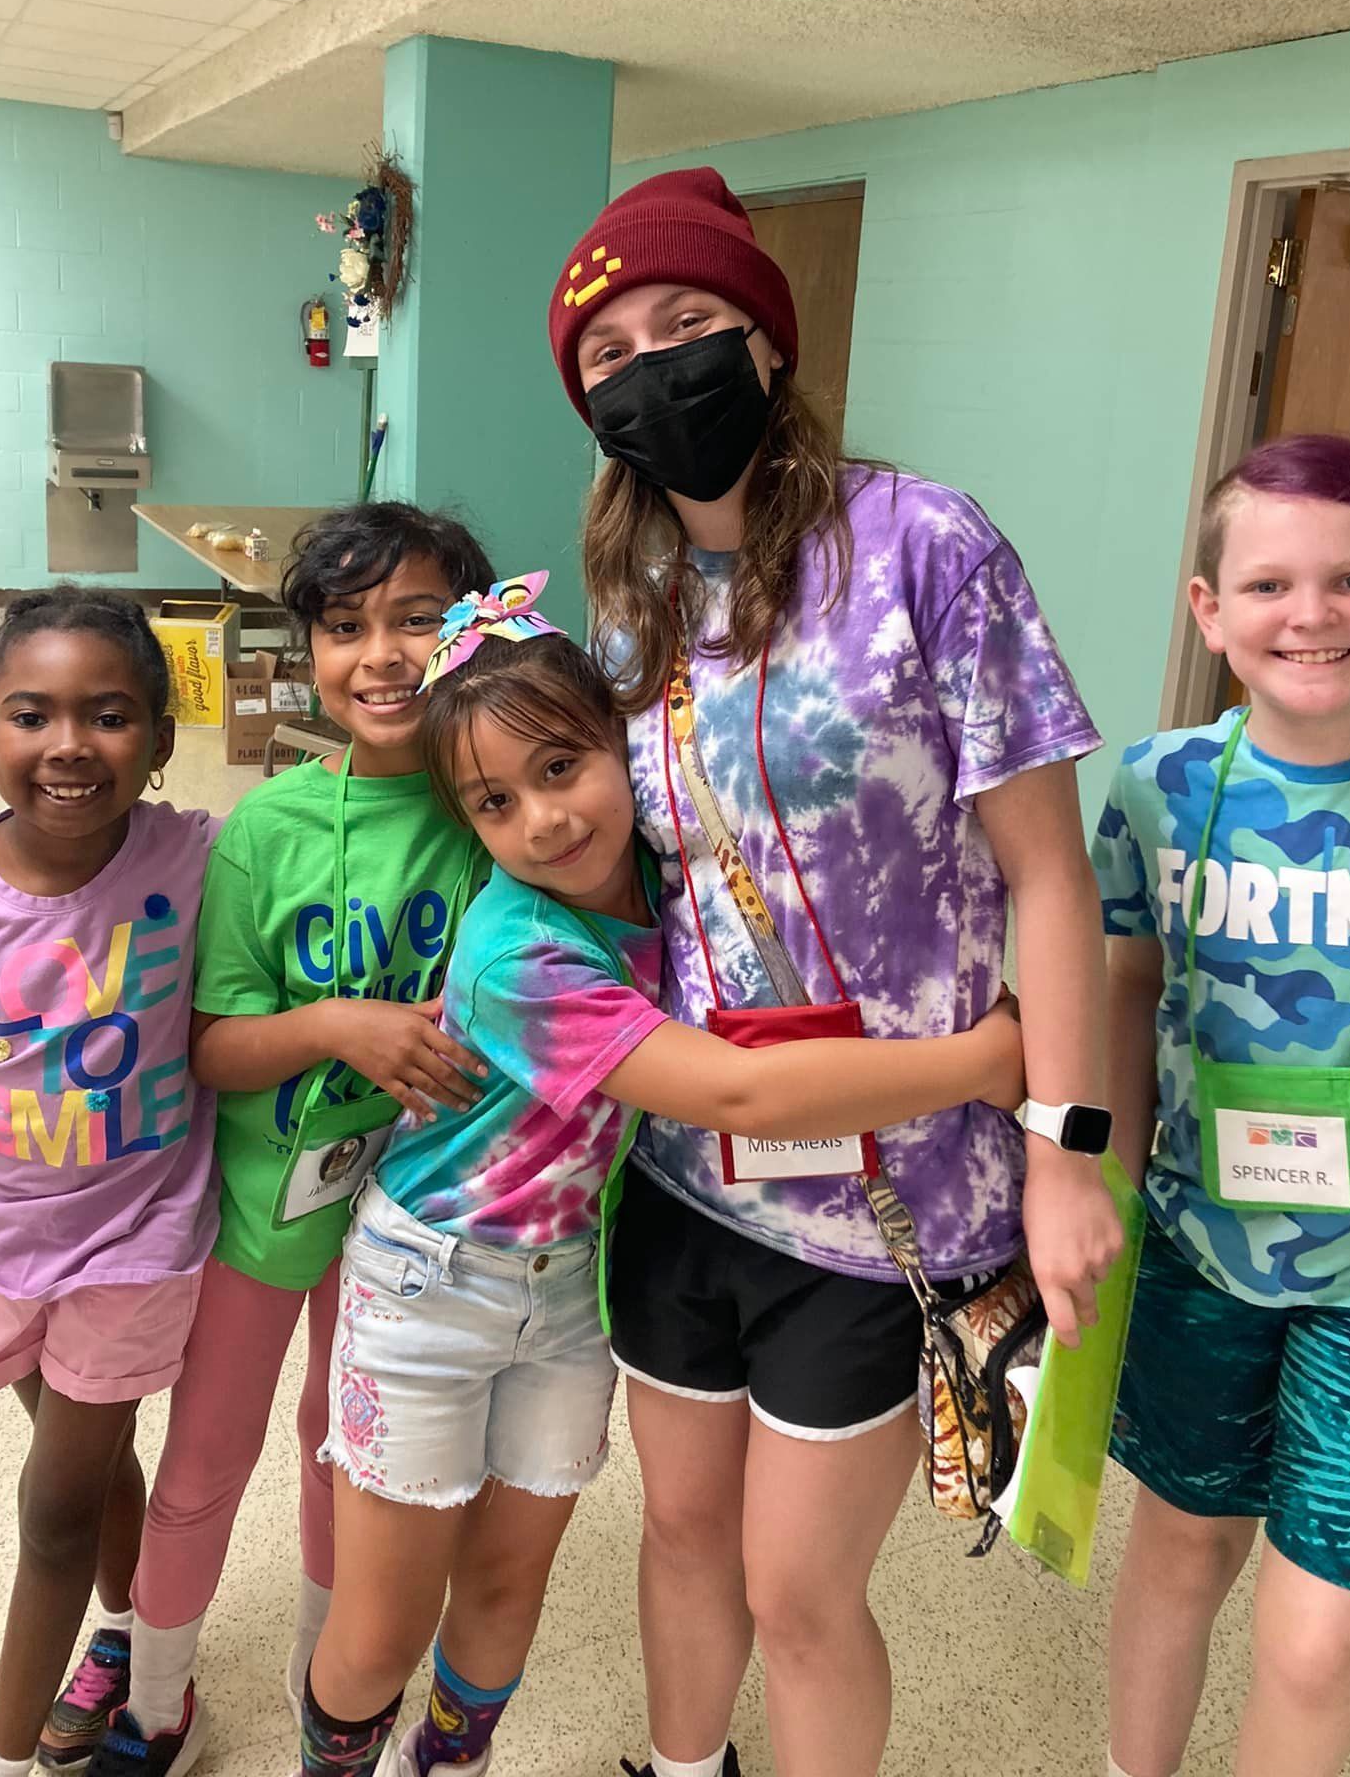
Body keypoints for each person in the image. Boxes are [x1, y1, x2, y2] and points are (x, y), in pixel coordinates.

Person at [546, 167, 1123, 1777]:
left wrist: (1065, 1150)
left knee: (800, 1592)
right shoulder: (625, 593)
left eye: (687, 327)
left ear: (768, 343)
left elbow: (1049, 873)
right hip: (687, 1170)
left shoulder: (925, 544)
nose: (651, 368)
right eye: (610, 356)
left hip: (893, 1195)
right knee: (678, 1533)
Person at [297, 578, 1029, 1777]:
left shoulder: (660, 865)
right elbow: (736, 1093)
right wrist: (982, 1057)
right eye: (493, 801)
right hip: (429, 1285)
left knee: (504, 1586)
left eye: (561, 766)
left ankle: (446, 1759)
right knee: (379, 1627)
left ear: (620, 747)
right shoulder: (520, 952)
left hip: (569, 1293)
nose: (541, 818)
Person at [90, 504, 495, 1777]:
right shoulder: (265, 832)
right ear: (310, 646)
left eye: (419, 619)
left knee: (350, 1445)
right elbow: (214, 1044)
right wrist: (340, 1025)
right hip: (271, 1204)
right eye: (346, 626)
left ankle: (339, 1705)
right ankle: (158, 1703)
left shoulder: (497, 812)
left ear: (473, 632)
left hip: (426, 1215)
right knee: (210, 1452)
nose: (382, 654)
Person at [1093, 434, 1350, 1777]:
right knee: (1182, 1550)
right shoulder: (1157, 789)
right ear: (1210, 610)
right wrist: (1100, 1195)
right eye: (1270, 585)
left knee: (1316, 1641)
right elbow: (1120, 1002)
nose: (1311, 615)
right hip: (1199, 1252)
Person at [0, 588, 218, 1777]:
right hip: (3, 1244)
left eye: (110, 713)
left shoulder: (195, 854)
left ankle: (7, 1756)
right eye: (31, 714)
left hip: (141, 1241)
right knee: (92, 1467)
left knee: (48, 1511)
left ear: (159, 737)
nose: (70, 744)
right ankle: (133, 1630)